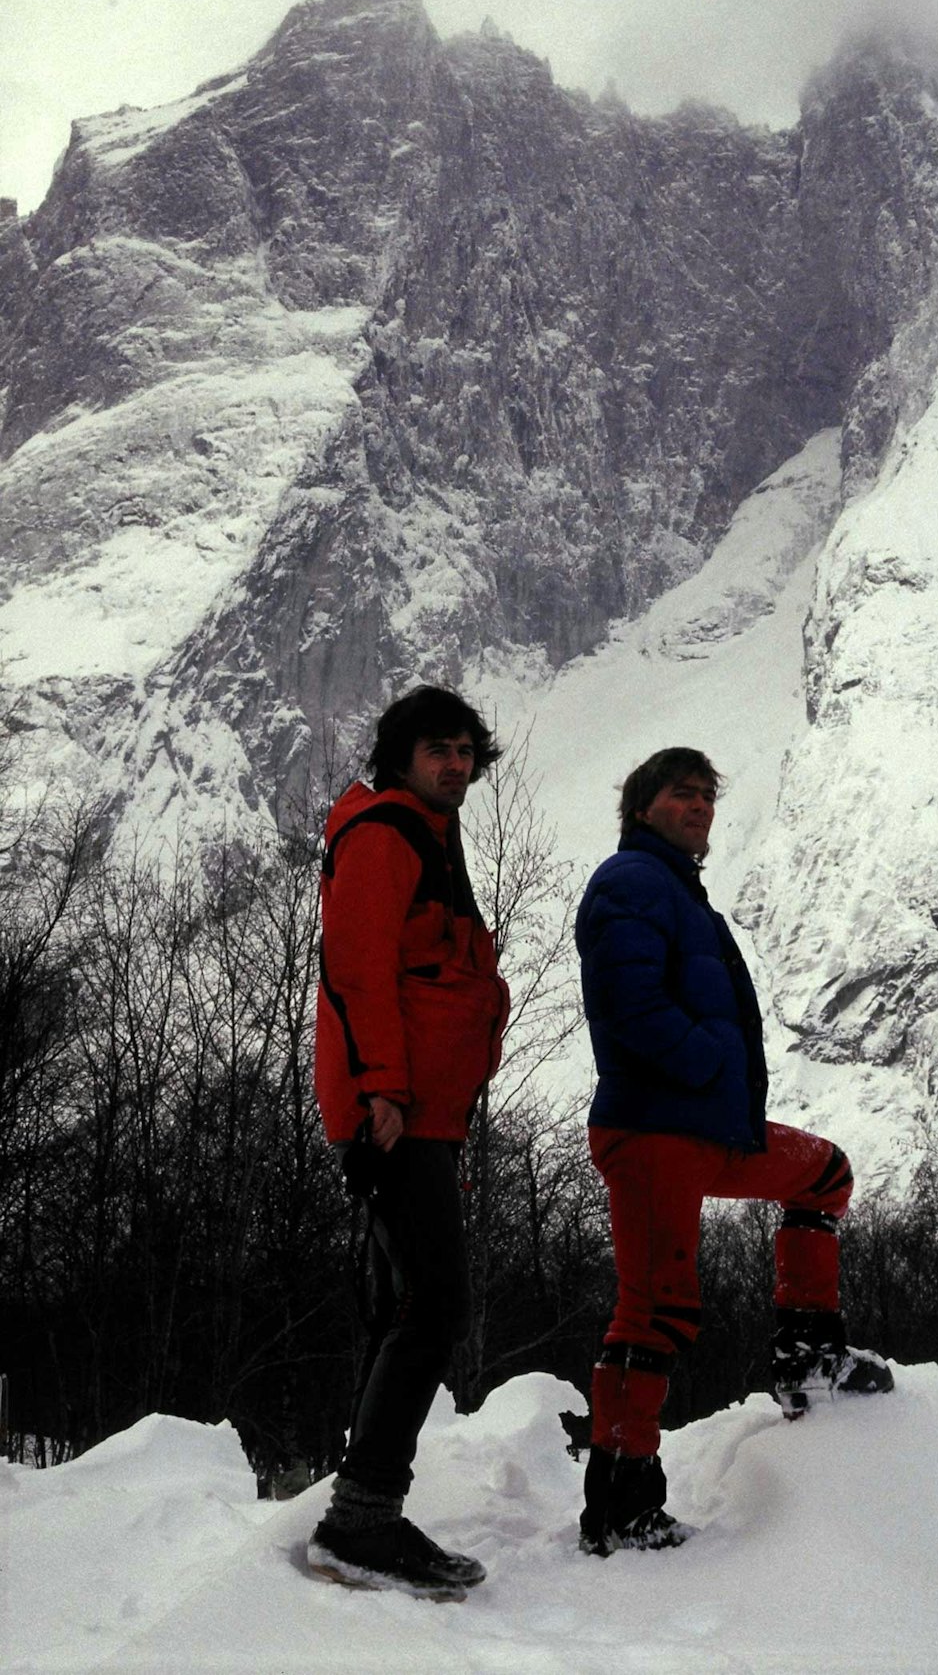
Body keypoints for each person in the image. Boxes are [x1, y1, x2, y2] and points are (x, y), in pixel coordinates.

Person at [575, 747, 893, 1557]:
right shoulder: (631, 883)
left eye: (708, 799)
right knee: (655, 1309)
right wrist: (708, 1063)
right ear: (642, 805)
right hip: (654, 1131)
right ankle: (620, 1499)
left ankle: (807, 1356)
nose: (700, 810)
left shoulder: (680, 890)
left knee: (825, 1172)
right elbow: (629, 1004)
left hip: (710, 1131)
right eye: (683, 796)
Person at [307, 685, 510, 1602]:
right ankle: (361, 1520)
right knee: (436, 1308)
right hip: (396, 1111)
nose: (454, 764)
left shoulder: (430, 836)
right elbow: (355, 967)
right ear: (400, 755)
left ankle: (365, 1510)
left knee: (411, 1308)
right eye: (438, 749)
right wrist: (383, 1088)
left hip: (426, 1112)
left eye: (466, 750)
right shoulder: (385, 835)